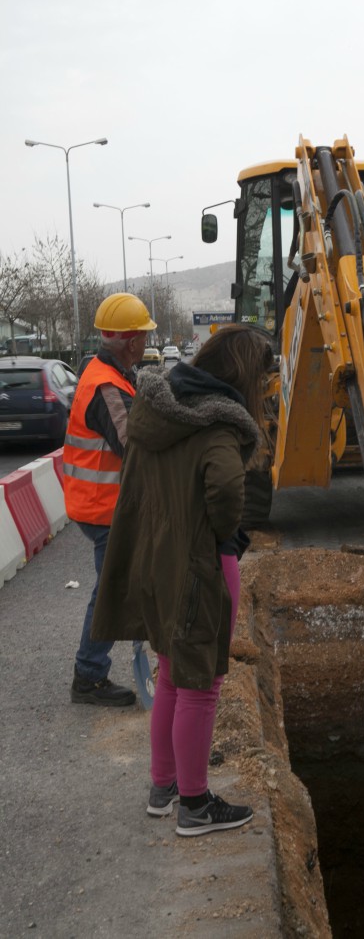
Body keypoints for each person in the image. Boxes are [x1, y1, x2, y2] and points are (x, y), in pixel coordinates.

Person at [91, 325, 272, 836]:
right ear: (242, 375)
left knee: (172, 673)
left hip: (159, 562)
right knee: (202, 682)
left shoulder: (158, 411)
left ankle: (164, 786)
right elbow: (227, 488)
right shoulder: (218, 424)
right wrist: (222, 537)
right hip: (200, 567)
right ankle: (195, 805)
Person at [63, 292, 157, 707]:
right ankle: (88, 675)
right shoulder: (104, 385)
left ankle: (93, 667)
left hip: (100, 503)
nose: (146, 343)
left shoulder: (109, 373)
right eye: (143, 336)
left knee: (114, 585)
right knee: (108, 590)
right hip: (102, 508)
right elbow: (132, 444)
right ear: (131, 341)